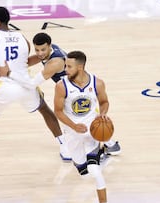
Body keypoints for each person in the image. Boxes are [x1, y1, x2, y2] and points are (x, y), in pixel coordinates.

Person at [0, 6, 71, 165]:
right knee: (45, 110)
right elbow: (26, 62)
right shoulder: (22, 38)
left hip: (7, 87)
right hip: (27, 86)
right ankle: (64, 146)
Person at [0, 32, 121, 156]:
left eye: (43, 49)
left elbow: (31, 84)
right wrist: (15, 65)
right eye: (37, 49)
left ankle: (99, 147)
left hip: (77, 90)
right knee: (84, 120)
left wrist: (9, 73)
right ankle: (110, 144)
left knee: (78, 120)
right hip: (75, 86)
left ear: (49, 46)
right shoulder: (51, 50)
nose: (40, 53)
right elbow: (36, 58)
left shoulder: (54, 63)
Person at [54, 51, 109, 203]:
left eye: (69, 67)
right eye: (65, 66)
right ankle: (97, 159)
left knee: (96, 172)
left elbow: (104, 102)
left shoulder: (97, 83)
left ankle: (99, 158)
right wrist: (74, 126)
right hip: (72, 133)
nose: (65, 69)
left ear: (80, 67)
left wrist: (102, 114)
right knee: (84, 173)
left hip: (92, 132)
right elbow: (57, 111)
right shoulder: (61, 86)